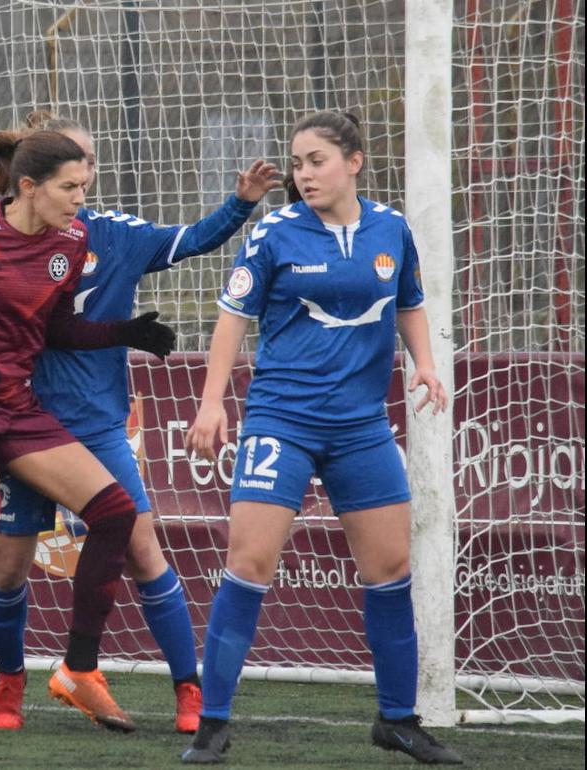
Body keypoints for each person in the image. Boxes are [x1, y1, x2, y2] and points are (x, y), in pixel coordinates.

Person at [0, 111, 282, 731]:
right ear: (35, 172)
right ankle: (9, 687)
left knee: (143, 548)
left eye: (89, 163)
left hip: (95, 428)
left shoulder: (113, 233)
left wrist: (240, 203)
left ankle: (188, 692)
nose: (85, 175)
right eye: (74, 163)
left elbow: (189, 241)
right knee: (8, 564)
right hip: (18, 422)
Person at [179, 111, 460, 765]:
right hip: (282, 420)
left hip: (361, 427)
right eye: (298, 163)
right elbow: (232, 316)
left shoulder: (391, 229)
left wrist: (424, 362)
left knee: (390, 570)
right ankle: (212, 724)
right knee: (248, 564)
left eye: (317, 160)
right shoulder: (275, 233)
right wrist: (212, 402)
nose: (304, 174)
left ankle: (397, 720)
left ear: (354, 161)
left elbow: (409, 301)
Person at [0, 129, 175, 731]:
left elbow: (57, 330)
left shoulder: (70, 242)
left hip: (14, 402)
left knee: (116, 513)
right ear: (27, 187)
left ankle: (78, 670)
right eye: (69, 188)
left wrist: (125, 333)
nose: (79, 200)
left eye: (84, 187)